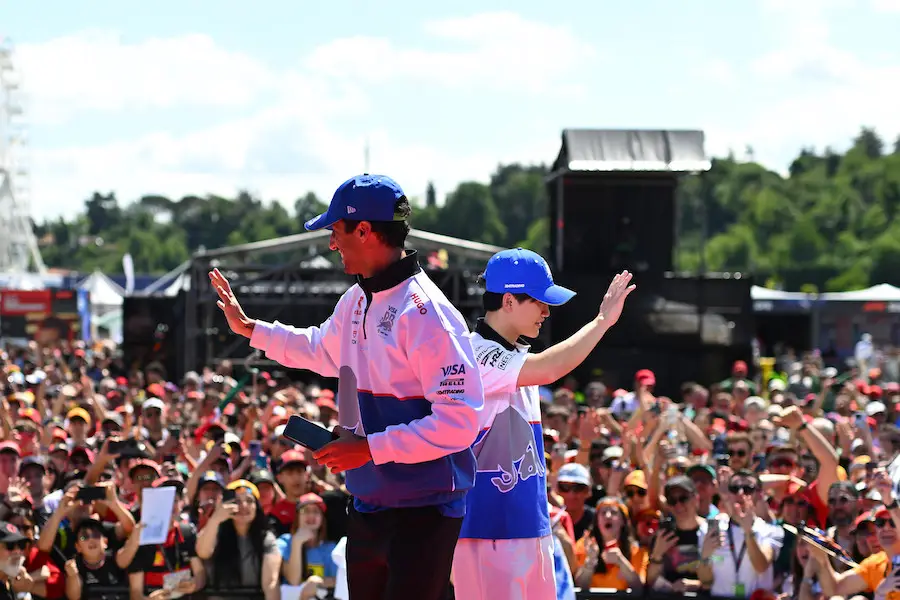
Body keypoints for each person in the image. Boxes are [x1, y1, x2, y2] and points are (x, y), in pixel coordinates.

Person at [211, 174, 486, 600]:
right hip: (368, 502)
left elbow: (460, 422)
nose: (330, 244)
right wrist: (251, 329)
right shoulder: (357, 298)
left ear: (364, 231)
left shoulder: (428, 313)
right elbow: (322, 350)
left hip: (425, 510)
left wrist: (370, 449)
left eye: (335, 231)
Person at [452, 247, 634, 600]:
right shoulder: (472, 355)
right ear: (508, 301)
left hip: (530, 528)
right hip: (488, 531)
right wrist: (601, 321)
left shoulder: (515, 357)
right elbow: (550, 368)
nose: (547, 312)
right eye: (538, 301)